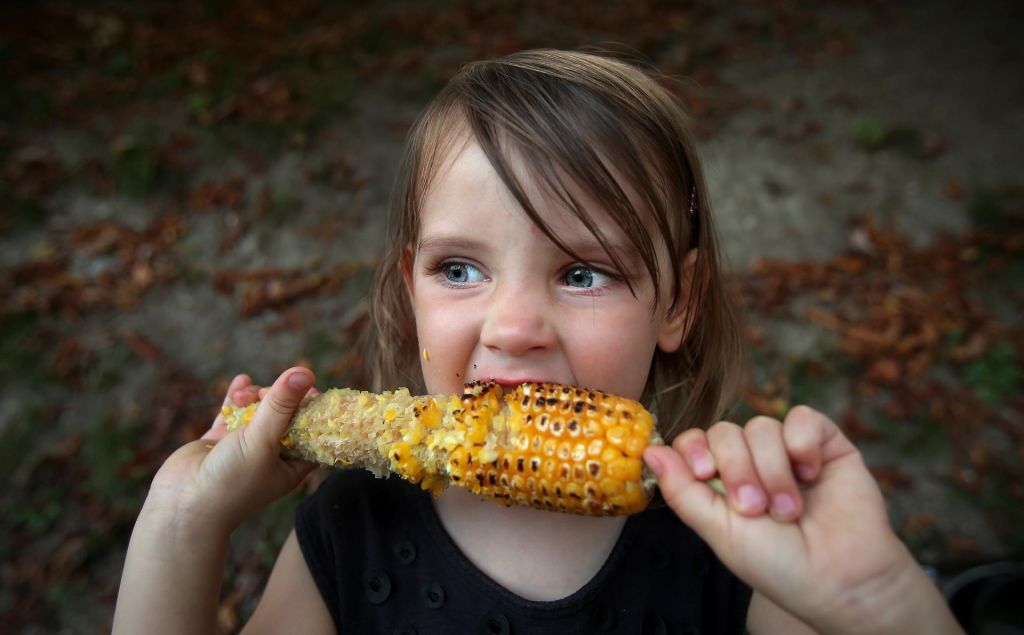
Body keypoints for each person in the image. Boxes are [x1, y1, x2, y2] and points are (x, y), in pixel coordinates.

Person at [113, 49, 963, 634]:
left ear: (679, 302)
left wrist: (880, 602)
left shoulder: (739, 555)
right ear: (408, 286)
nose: (513, 327)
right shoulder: (348, 533)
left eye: (584, 273)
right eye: (458, 268)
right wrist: (182, 525)